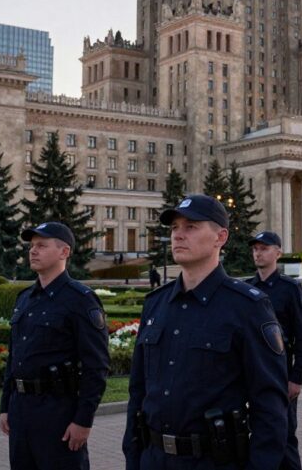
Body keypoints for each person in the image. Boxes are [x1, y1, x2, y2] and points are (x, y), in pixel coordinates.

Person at [123, 195, 288, 470]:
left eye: (191, 227)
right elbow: (137, 392)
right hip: (153, 459)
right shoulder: (156, 303)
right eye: (175, 228)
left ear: (220, 237)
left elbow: (269, 406)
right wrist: (133, 458)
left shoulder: (247, 306)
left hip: (213, 460)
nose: (178, 235)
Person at [1, 222, 110, 470]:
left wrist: (83, 421)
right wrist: (5, 406)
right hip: (21, 411)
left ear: (64, 252)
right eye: (31, 246)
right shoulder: (25, 298)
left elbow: (97, 365)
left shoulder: (80, 300)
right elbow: (14, 356)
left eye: (41, 245)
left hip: (58, 412)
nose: (33, 251)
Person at [247, 231, 302, 470]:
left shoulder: (290, 289)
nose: (258, 253)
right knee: (254, 436)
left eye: (264, 248)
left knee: (283, 437)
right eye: (255, 249)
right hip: (251, 374)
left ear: (278, 253)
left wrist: (296, 378)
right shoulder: (246, 288)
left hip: (280, 376)